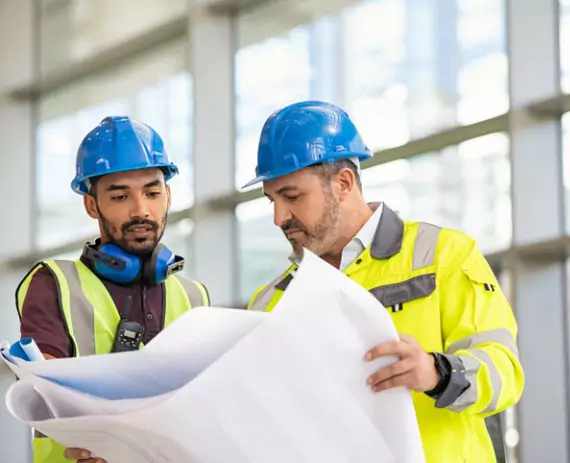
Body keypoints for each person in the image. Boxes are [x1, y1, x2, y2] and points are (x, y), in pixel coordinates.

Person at [245, 101, 524, 462]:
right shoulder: (269, 302)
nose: (279, 217)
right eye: (271, 200)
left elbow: (505, 373)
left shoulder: (443, 256)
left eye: (292, 197)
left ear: (343, 183)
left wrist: (437, 372)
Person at [16, 116, 210, 463]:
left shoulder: (195, 297)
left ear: (168, 196)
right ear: (92, 205)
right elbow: (47, 397)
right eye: (120, 196)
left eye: (152, 193)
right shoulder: (54, 284)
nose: (141, 210)